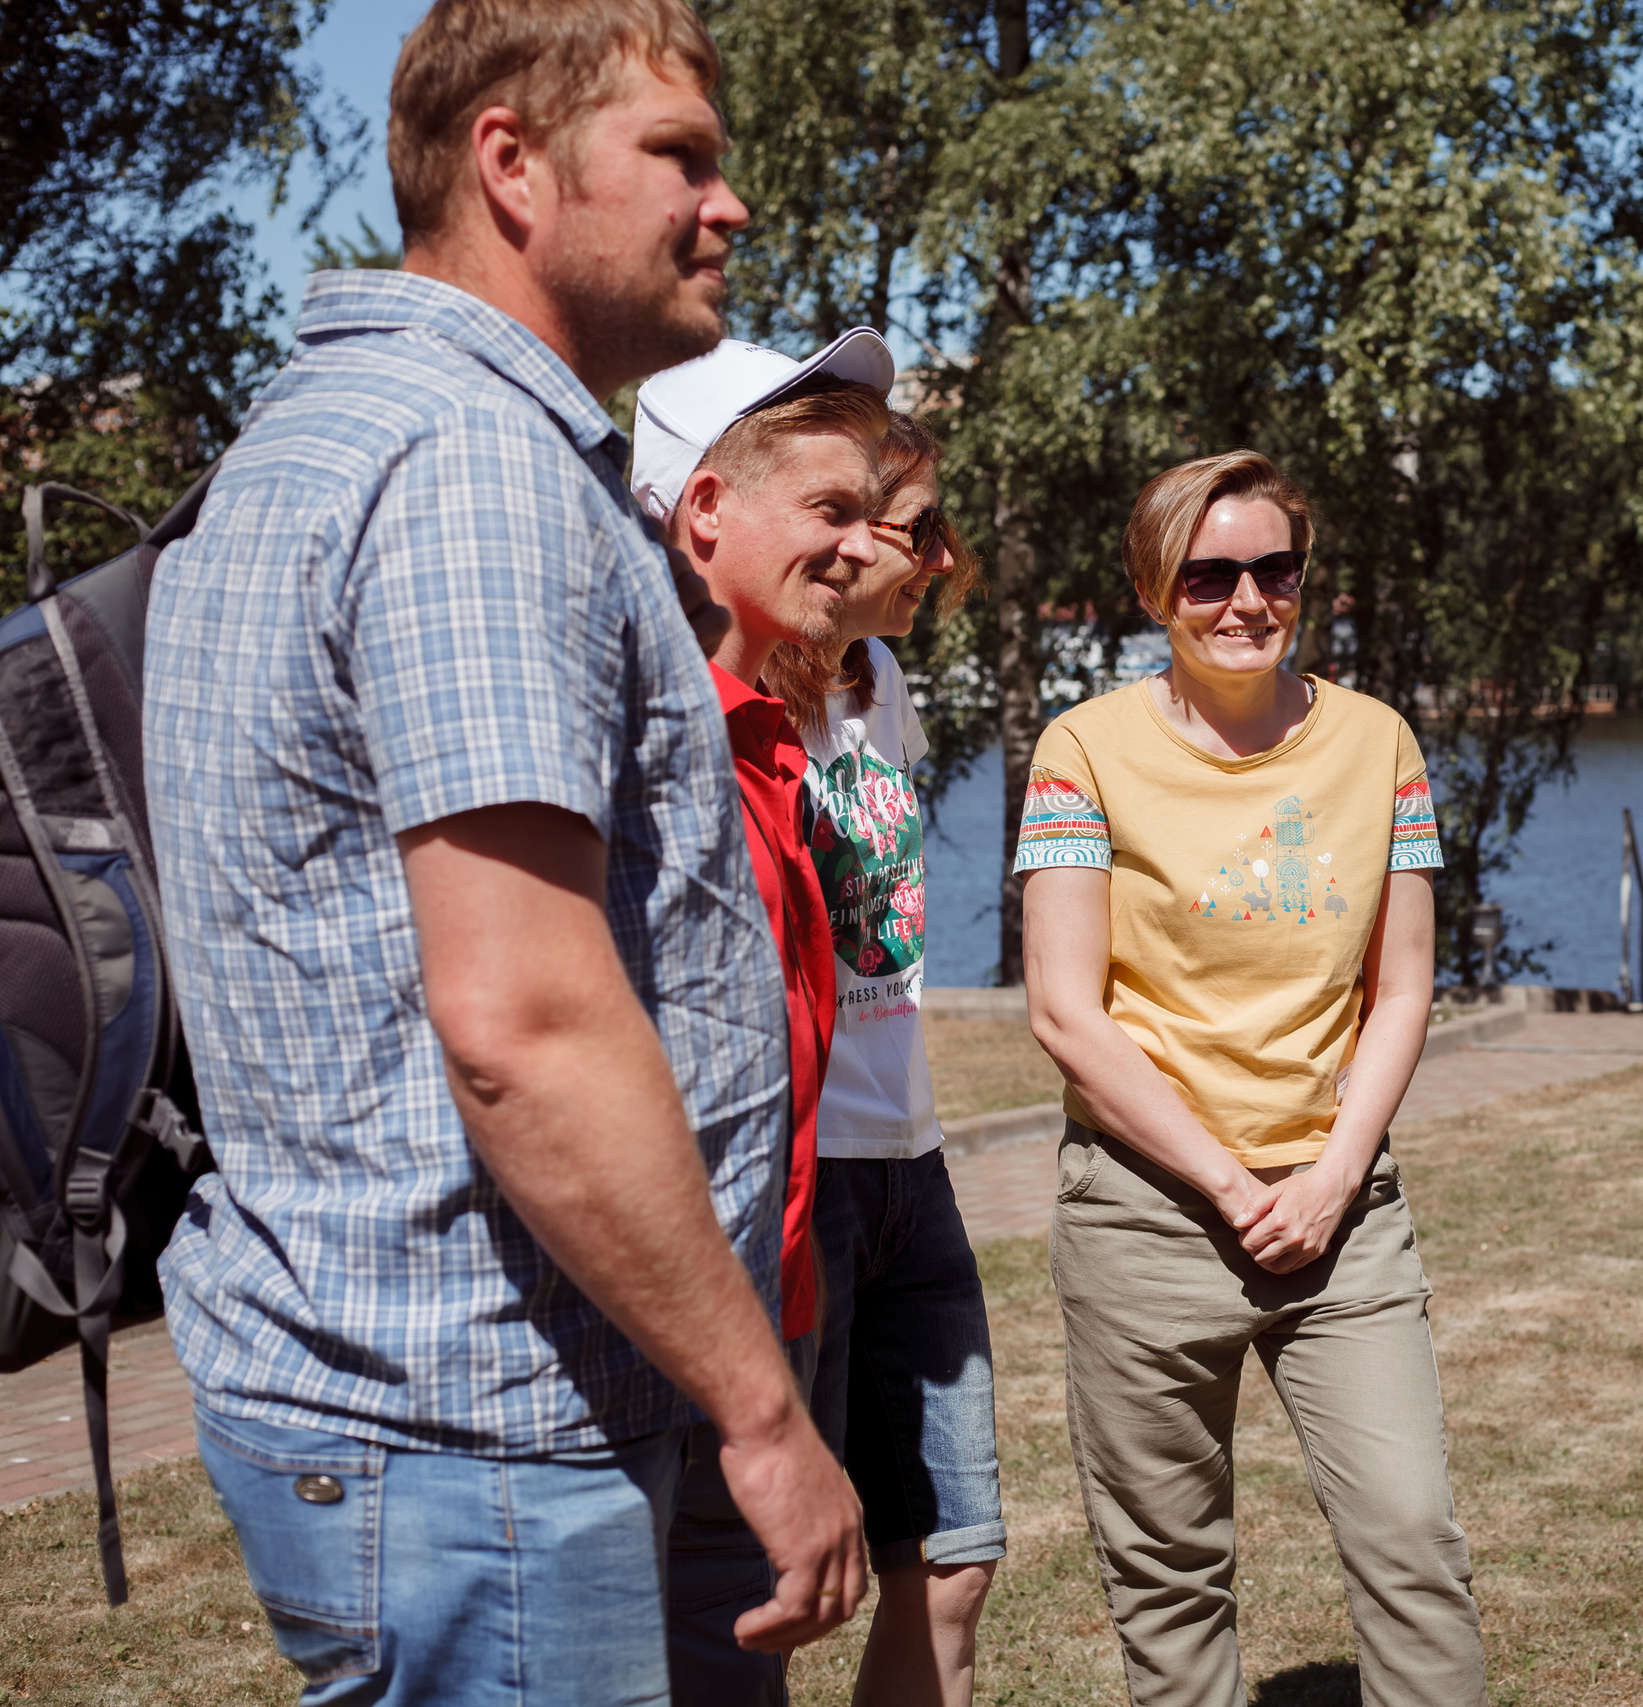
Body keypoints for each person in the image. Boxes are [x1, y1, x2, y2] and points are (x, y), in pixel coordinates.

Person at [141, 4, 862, 1702]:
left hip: (419, 1415)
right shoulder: (472, 465)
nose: (730, 203)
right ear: (513, 166)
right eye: (679, 155)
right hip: (478, 1436)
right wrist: (765, 1413)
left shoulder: (335, 424)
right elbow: (520, 1025)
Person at [1017, 451, 1489, 1707]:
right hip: (1148, 1214)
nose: (1244, 600)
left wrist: (1333, 1176)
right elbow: (1068, 1012)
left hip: (1343, 1216)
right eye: (1207, 574)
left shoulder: (1379, 742)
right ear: (1153, 585)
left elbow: (1401, 988)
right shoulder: (1082, 749)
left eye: (1272, 570)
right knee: (1169, 1574)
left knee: (1410, 1542)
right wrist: (1230, 1184)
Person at [630, 331, 901, 1704]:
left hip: (764, 1313)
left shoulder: (776, 743)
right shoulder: (638, 748)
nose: (869, 545)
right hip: (660, 1354)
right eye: (834, 509)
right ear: (706, 512)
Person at [757, 408, 1001, 1707]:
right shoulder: (739, 692)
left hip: (914, 1162)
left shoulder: (880, 685)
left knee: (952, 1559)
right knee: (779, 1580)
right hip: (809, 1180)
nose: (942, 561)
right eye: (925, 532)